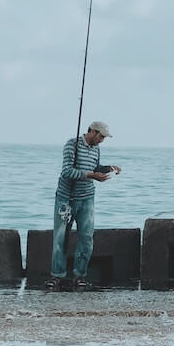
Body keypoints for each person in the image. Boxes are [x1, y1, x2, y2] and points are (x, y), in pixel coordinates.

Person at [49, 121, 121, 292]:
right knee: (60, 238)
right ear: (92, 132)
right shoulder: (71, 145)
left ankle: (79, 275)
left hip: (87, 198)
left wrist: (109, 168)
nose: (102, 140)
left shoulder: (96, 149)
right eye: (101, 136)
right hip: (66, 198)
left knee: (86, 239)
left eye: (104, 137)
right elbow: (67, 171)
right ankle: (56, 276)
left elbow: (94, 167)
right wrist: (91, 175)